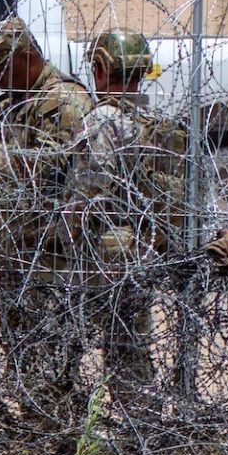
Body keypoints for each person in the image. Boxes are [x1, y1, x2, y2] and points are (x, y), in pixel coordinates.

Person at [0, 17, 96, 430]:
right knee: (23, 351)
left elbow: (57, 174)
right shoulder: (9, 103)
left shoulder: (63, 101)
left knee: (53, 351)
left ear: (28, 57)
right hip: (10, 249)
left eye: (0, 68)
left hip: (50, 253)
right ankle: (37, 427)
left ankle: (57, 434)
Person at [72, 27, 170, 417]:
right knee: (131, 341)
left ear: (99, 69)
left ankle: (136, 428)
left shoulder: (101, 121)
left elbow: (94, 187)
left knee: (102, 342)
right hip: (144, 241)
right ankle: (142, 422)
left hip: (106, 247)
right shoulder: (151, 119)